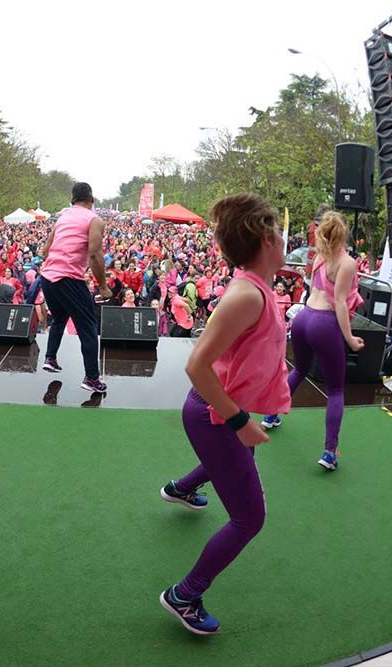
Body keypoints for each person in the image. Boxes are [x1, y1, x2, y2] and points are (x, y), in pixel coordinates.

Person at [157, 193, 290, 635]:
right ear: (266, 237)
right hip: (214, 413)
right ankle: (185, 595)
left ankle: (179, 488)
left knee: (233, 470)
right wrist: (241, 423)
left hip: (222, 410)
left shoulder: (259, 286)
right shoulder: (245, 296)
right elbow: (196, 366)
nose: (285, 235)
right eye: (279, 229)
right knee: (250, 517)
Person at [261, 211, 364, 471]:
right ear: (344, 234)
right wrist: (350, 338)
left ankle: (271, 414)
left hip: (303, 318)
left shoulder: (319, 257)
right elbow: (339, 302)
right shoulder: (346, 262)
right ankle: (330, 452)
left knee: (300, 369)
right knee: (336, 391)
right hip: (324, 323)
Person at [39, 182, 111, 392]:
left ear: (72, 200)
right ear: (92, 200)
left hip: (47, 277)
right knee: (88, 328)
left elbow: (46, 250)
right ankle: (92, 378)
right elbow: (95, 254)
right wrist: (103, 285)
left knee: (60, 317)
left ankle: (50, 358)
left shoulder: (63, 217)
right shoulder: (94, 219)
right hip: (69, 279)